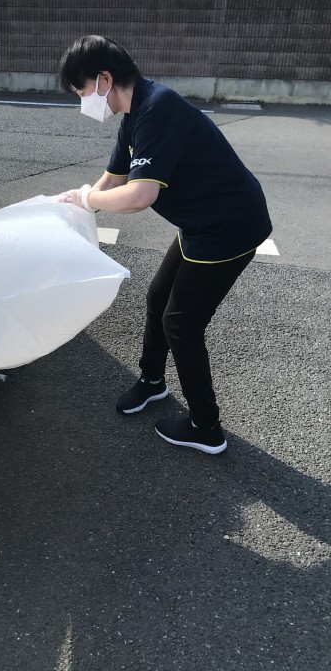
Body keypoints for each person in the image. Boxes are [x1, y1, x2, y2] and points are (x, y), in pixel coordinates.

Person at [57, 35, 272, 455]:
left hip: (229, 228)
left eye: (81, 91)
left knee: (181, 324)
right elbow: (115, 177)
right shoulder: (135, 113)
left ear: (104, 79)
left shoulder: (159, 110)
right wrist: (77, 205)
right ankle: (153, 381)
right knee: (158, 296)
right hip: (201, 222)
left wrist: (89, 199)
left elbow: (140, 195)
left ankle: (206, 427)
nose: (82, 101)